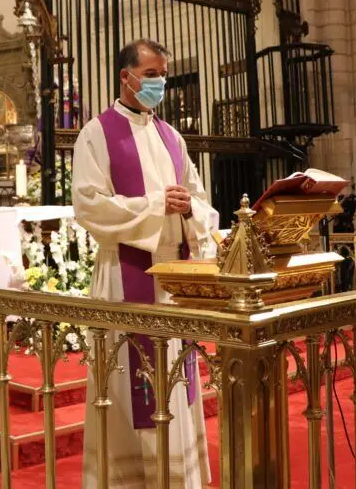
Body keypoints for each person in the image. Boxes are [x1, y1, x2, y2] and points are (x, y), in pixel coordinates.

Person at [72, 39, 213, 488]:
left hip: (173, 280)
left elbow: (201, 201)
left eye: (163, 74)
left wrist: (189, 208)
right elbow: (88, 204)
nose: (160, 82)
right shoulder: (96, 133)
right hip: (124, 275)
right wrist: (156, 205)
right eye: (151, 74)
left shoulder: (172, 137)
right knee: (128, 387)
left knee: (175, 382)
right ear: (126, 77)